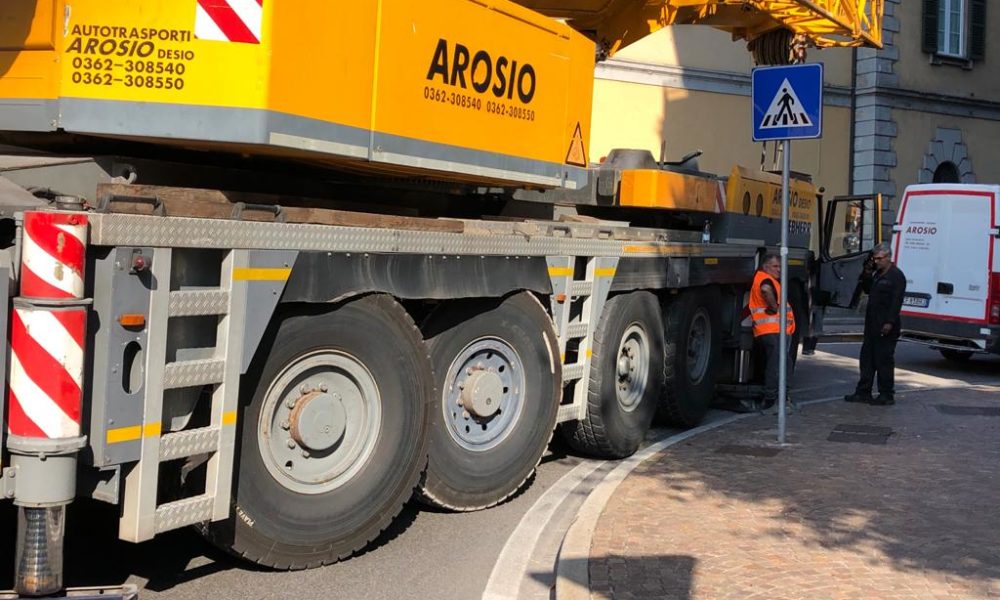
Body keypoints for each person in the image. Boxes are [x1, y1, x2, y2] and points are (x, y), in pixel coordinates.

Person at [845, 243, 906, 405]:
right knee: (867, 358)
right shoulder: (877, 274)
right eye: (875, 258)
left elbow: (896, 301)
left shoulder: (896, 276)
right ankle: (863, 391)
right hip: (871, 323)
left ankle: (886, 394)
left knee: (883, 360)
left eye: (880, 259)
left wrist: (889, 322)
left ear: (888, 257)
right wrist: (866, 273)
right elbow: (867, 290)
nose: (877, 261)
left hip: (886, 325)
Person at [750, 254, 796, 410]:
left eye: (780, 266)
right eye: (775, 266)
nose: (779, 270)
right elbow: (765, 289)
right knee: (778, 364)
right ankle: (772, 400)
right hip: (773, 330)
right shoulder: (765, 279)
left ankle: (778, 398)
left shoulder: (764, 278)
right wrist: (773, 307)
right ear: (765, 267)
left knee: (779, 363)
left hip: (772, 330)